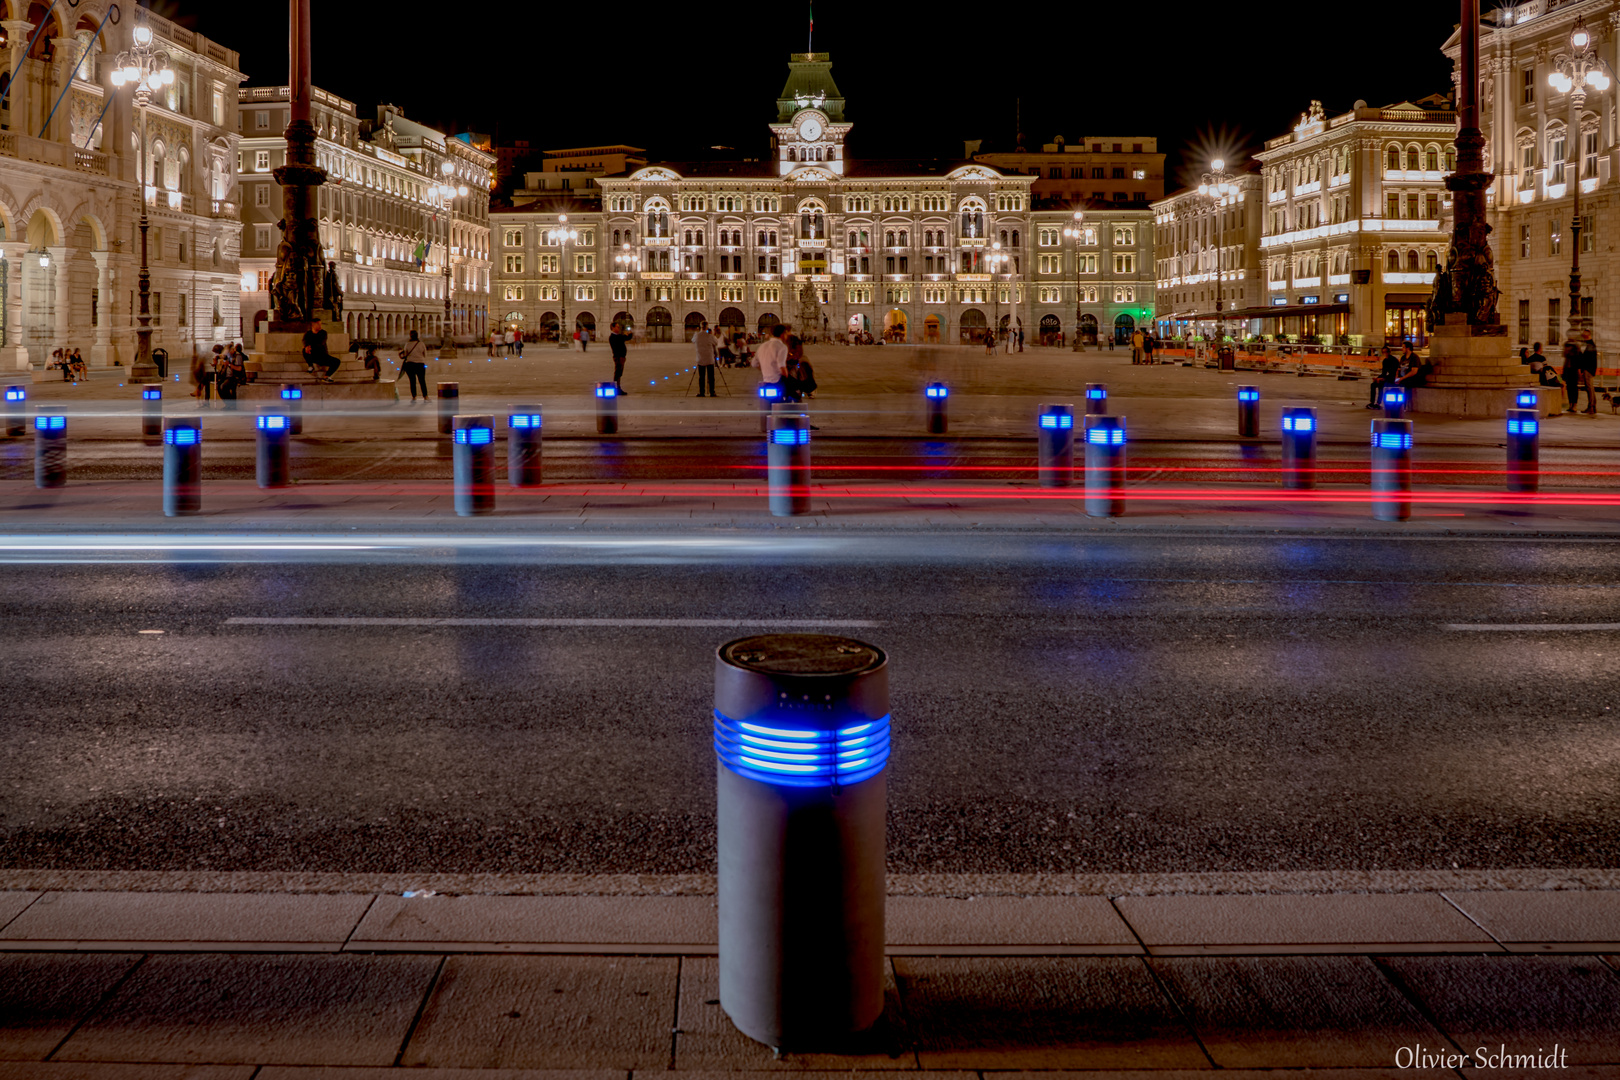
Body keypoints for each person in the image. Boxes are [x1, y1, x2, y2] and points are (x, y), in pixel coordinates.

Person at [757, 322, 791, 396]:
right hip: (777, 380)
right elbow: (782, 366)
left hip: (765, 380)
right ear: (782, 334)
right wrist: (787, 378)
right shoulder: (782, 347)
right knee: (796, 390)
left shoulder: (762, 346)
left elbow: (754, 363)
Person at [399, 331, 428, 402]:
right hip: (420, 364)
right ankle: (425, 396)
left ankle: (414, 397)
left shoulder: (407, 344)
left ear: (410, 336)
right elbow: (425, 355)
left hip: (410, 364)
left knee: (412, 381)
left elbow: (405, 354)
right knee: (422, 380)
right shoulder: (421, 344)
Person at [693, 320, 716, 397]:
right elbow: (716, 342)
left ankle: (702, 392)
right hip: (709, 358)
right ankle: (712, 392)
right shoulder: (710, 336)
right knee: (711, 377)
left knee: (701, 377)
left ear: (700, 326)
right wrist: (712, 334)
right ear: (707, 327)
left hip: (700, 358)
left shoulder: (697, 335)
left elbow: (693, 340)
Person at [1578, 334, 1599, 415]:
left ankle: (1591, 406)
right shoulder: (1591, 345)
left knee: (1589, 388)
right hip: (1591, 369)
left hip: (1588, 370)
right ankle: (1593, 406)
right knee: (1591, 388)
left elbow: (1585, 359)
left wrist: (1580, 352)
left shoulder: (1589, 346)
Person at [608, 320, 631, 393]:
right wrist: (626, 335)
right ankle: (616, 388)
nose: (619, 328)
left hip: (621, 356)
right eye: (617, 327)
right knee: (618, 373)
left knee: (619, 373)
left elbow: (626, 338)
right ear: (613, 328)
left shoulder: (617, 336)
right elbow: (622, 338)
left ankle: (617, 387)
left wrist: (630, 334)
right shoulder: (613, 337)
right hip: (618, 357)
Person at [1560, 339, 1580, 412]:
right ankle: (1571, 404)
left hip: (1573, 369)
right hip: (1568, 369)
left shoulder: (1576, 348)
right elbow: (1564, 355)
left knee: (1574, 387)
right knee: (1569, 387)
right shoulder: (1567, 345)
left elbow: (1578, 357)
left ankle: (1574, 404)